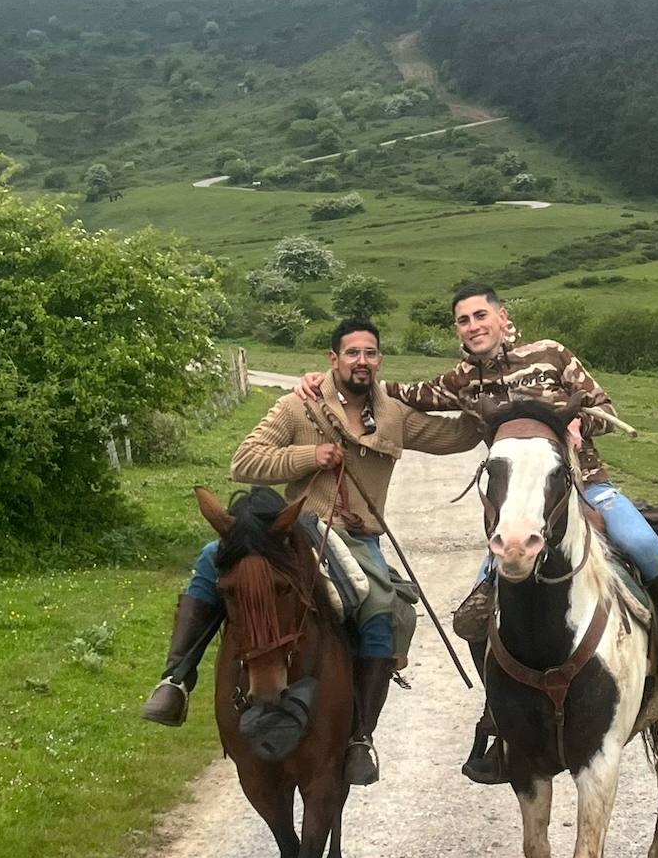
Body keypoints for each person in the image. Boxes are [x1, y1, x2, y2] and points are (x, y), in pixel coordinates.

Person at [296, 284, 658, 784]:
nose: (473, 325)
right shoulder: (462, 381)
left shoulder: (550, 354)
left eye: (480, 315)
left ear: (501, 317)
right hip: (516, 508)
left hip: (583, 486)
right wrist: (325, 382)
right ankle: (501, 717)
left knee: (642, 544)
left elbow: (602, 404)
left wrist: (577, 422)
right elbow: (397, 392)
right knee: (476, 613)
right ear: (458, 330)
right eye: (463, 320)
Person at [142, 318, 481, 788]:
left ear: (379, 360)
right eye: (352, 353)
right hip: (298, 529)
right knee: (210, 559)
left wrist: (496, 407)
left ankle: (360, 734)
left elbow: (455, 438)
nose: (361, 361)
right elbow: (245, 461)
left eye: (370, 353)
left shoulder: (393, 414)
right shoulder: (297, 407)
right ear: (333, 359)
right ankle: (176, 678)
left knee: (383, 608)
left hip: (359, 537)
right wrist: (309, 457)